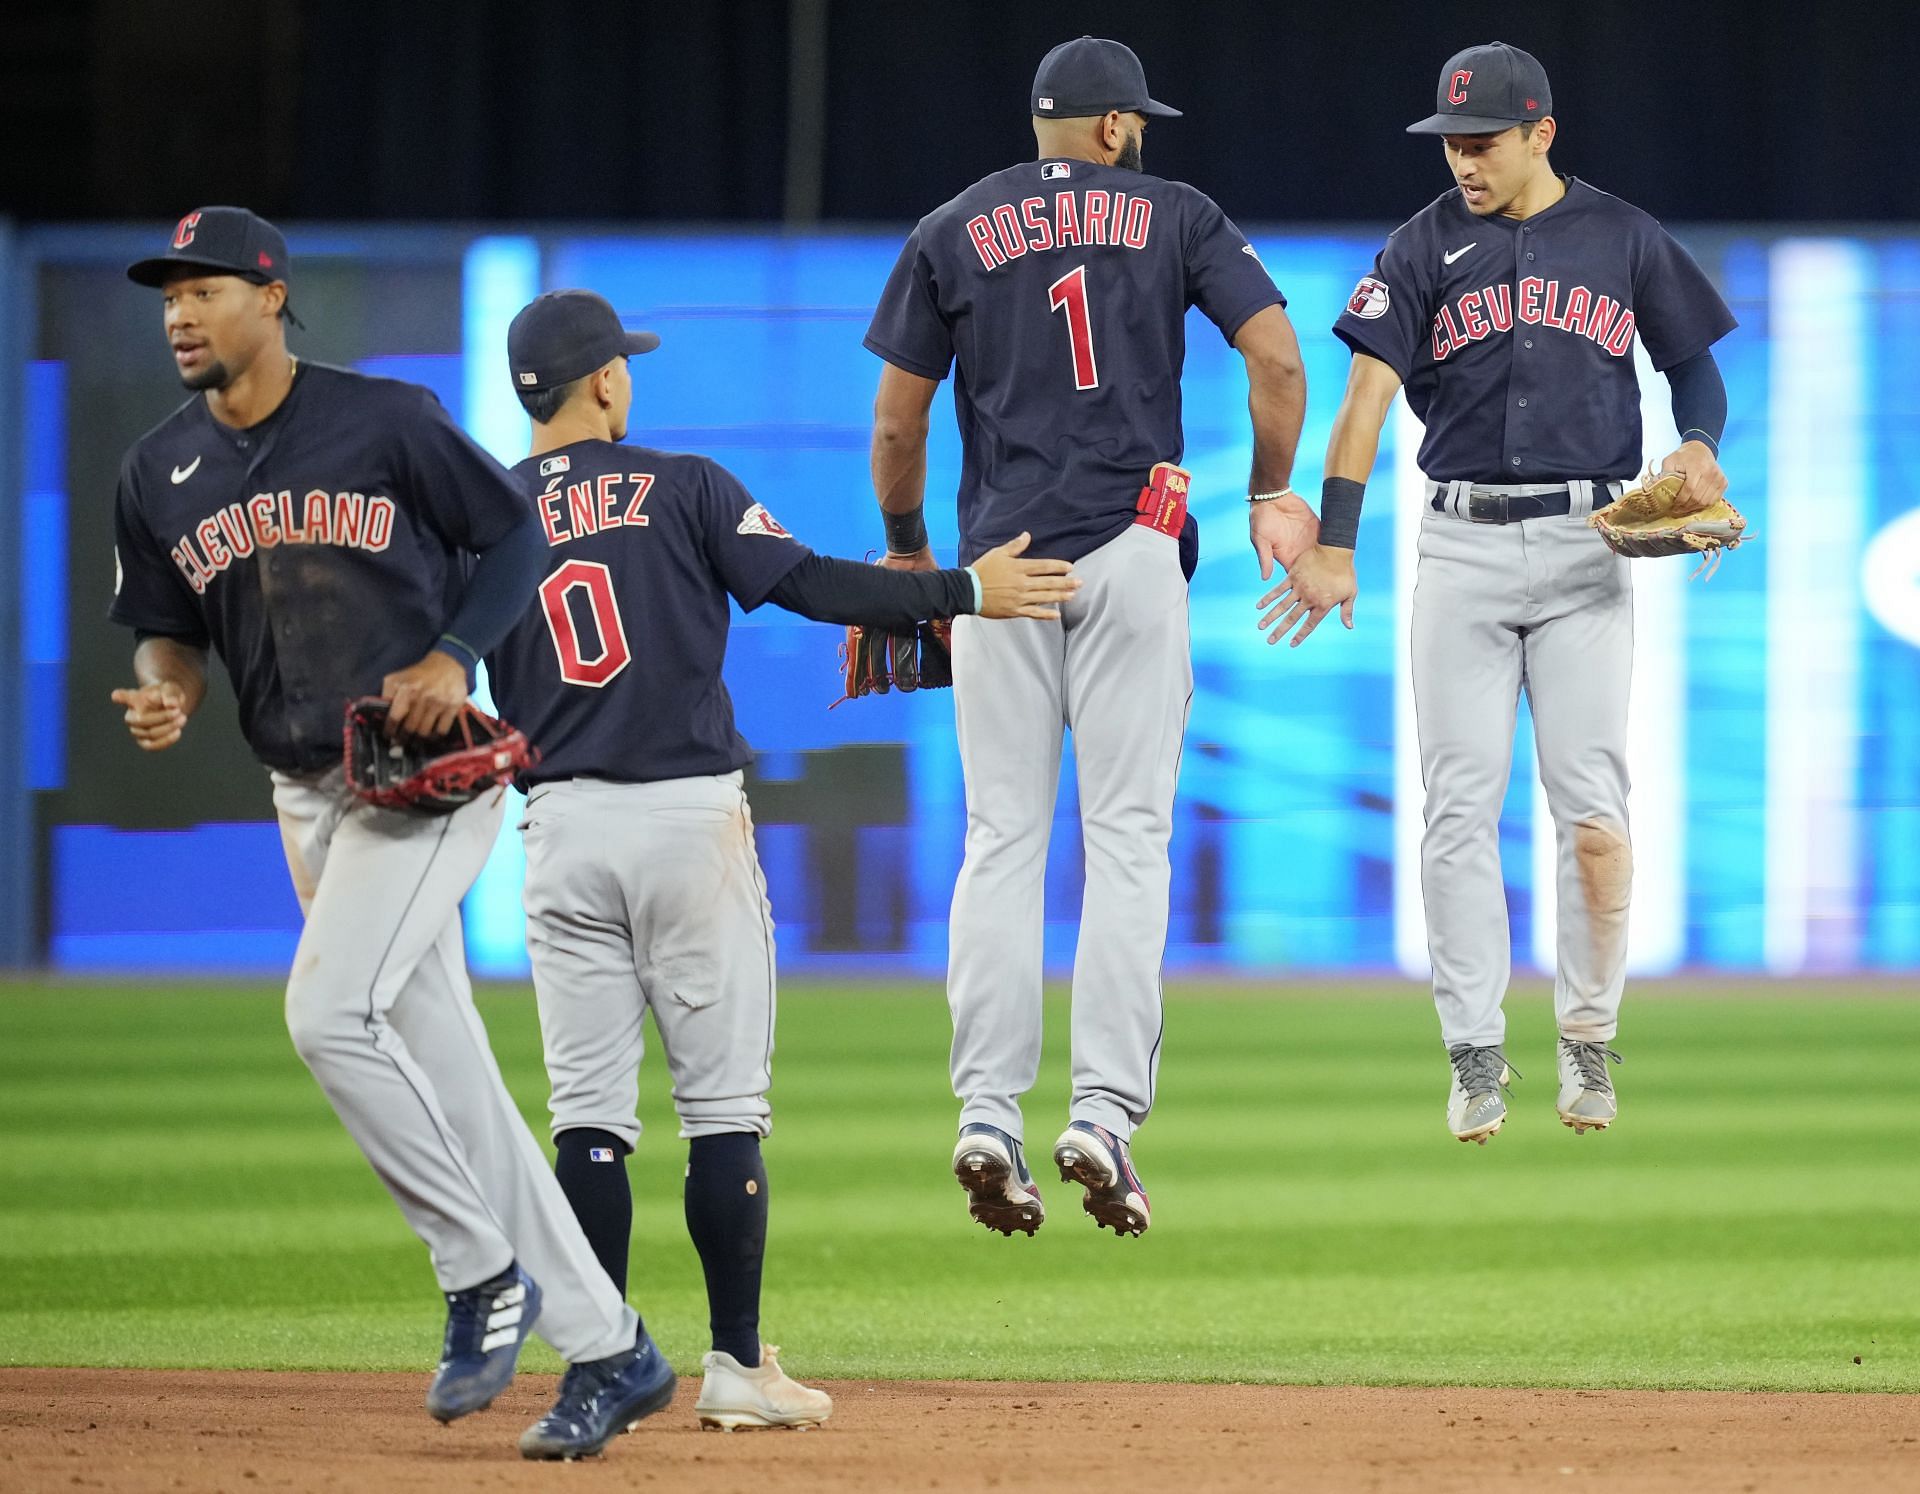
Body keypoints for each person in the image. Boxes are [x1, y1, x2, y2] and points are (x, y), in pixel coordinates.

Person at [107, 208, 676, 1462]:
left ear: (271, 296)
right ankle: (613, 1350)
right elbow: (165, 622)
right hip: (304, 790)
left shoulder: (388, 422)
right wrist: (173, 684)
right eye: (166, 297)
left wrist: (452, 651)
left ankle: (480, 1271)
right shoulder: (158, 470)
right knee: (456, 1081)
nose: (180, 315)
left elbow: (517, 532)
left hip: (424, 781)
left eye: (203, 290)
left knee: (325, 1014)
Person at [483, 290, 1077, 1422]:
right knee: (722, 1112)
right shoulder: (680, 483)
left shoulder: (486, 517)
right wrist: (963, 592)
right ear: (604, 381)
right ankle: (738, 1368)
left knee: (589, 1122)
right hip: (686, 824)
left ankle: (600, 1371)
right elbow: (804, 584)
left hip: (557, 832)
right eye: (624, 366)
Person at [862, 37, 1310, 1237]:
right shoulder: (1176, 213)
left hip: (1000, 568)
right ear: (1113, 128)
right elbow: (1273, 353)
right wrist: (1272, 487)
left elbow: (899, 422)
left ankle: (983, 1115)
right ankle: (1102, 1114)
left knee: (1001, 839)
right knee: (1126, 841)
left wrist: (911, 550)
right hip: (1130, 546)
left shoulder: (952, 226)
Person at [1286, 42, 1736, 1142]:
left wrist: (1698, 446)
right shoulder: (1422, 244)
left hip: (1592, 548)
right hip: (1463, 549)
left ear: (1541, 132)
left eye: (1481, 141)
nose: (1462, 162)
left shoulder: (1622, 235)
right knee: (1459, 811)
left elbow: (1696, 364)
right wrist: (1337, 539)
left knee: (1592, 814)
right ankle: (1476, 1055)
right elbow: (1361, 400)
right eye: (1449, 142)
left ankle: (1588, 1038)